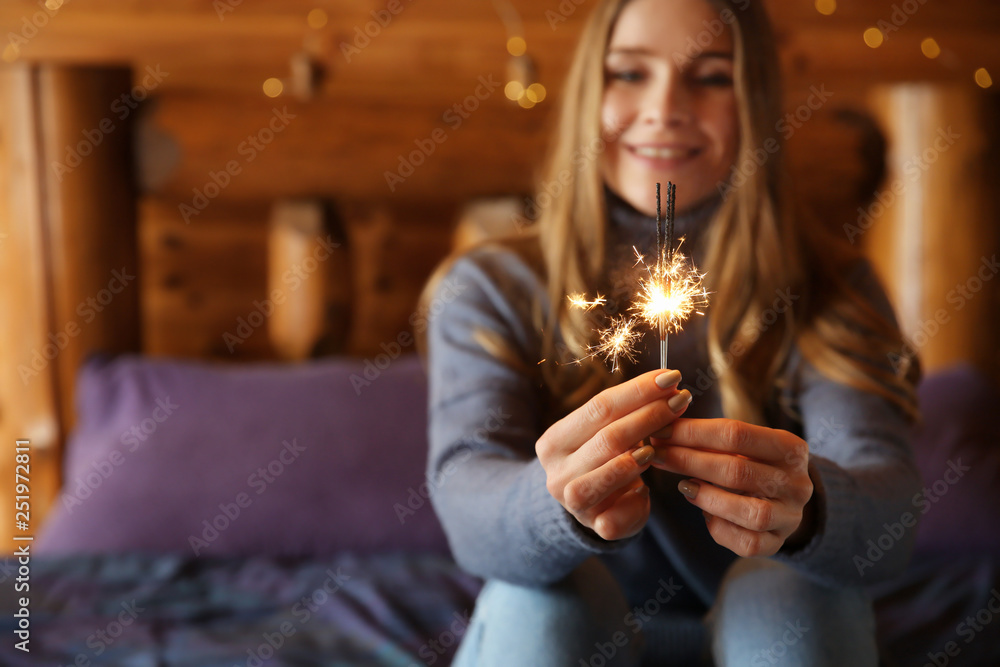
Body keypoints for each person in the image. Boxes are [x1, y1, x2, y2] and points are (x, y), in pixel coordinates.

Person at [421, 0, 922, 664]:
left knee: (786, 592)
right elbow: (467, 503)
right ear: (586, 94)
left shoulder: (831, 289)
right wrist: (559, 506)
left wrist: (810, 508)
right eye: (629, 73)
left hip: (773, 632)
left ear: (755, 101)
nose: (665, 107)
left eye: (712, 77)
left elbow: (889, 505)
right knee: (538, 599)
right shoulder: (488, 288)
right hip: (565, 637)